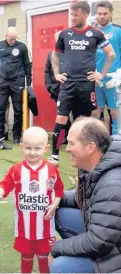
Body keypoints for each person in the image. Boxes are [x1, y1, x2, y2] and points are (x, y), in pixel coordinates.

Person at [49, 117, 121, 273]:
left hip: (115, 252)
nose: (67, 148)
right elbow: (83, 197)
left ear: (90, 148)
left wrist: (56, 248)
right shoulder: (95, 164)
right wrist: (54, 198)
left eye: (72, 143)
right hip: (110, 239)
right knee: (61, 213)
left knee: (60, 267)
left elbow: (99, 241)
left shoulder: (112, 184)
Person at [49, 0, 115, 165]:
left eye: (76, 15)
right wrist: (57, 73)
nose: (72, 18)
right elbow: (55, 55)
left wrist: (101, 74)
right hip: (68, 84)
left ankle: (84, 156)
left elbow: (111, 54)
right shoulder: (65, 34)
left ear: (85, 15)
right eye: (71, 14)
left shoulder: (96, 34)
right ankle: (55, 154)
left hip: (86, 85)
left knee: (83, 122)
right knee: (61, 118)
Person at [0, 127, 64, 273]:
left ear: (46, 148)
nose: (32, 152)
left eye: (37, 148)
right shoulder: (16, 169)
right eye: (28, 148)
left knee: (45, 258)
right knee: (26, 257)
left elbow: (59, 190)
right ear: (21, 147)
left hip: (45, 228)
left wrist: (55, 204)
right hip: (24, 229)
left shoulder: (51, 169)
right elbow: (5, 184)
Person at [0, 27, 32, 144]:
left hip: (18, 81)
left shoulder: (22, 46)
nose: (13, 41)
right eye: (11, 39)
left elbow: (27, 64)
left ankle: (16, 136)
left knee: (18, 109)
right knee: (0, 108)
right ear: (6, 35)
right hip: (3, 81)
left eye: (14, 39)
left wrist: (29, 83)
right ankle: (2, 134)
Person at [93, 1, 121, 135]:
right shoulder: (91, 32)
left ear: (110, 14)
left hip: (113, 79)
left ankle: (117, 143)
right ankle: (98, 143)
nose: (102, 16)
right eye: (99, 13)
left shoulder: (118, 31)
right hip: (96, 79)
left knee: (115, 113)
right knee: (96, 112)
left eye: (105, 13)